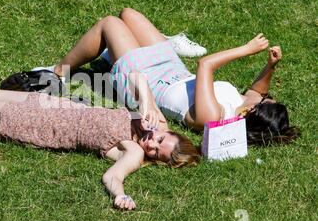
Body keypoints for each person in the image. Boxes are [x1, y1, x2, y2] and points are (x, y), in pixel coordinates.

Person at [0, 50, 200, 211]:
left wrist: (121, 195)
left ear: (155, 160)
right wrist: (144, 104)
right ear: (167, 132)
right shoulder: (150, 122)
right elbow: (136, 76)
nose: (151, 145)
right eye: (160, 140)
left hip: (34, 126)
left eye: (156, 153)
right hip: (47, 105)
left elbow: (112, 177)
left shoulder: (132, 152)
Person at [40, 8, 299, 145]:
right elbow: (258, 91)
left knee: (110, 23)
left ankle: (58, 71)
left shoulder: (213, 116)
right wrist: (270, 65)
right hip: (171, 69)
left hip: (144, 83)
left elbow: (205, 65)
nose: (267, 96)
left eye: (266, 102)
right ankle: (111, 55)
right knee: (129, 14)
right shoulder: (243, 103)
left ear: (249, 114)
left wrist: (246, 50)